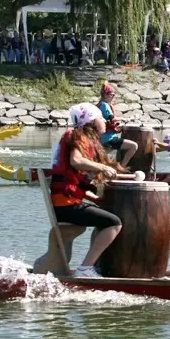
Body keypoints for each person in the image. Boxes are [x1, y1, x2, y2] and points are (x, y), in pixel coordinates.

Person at [39, 104, 126, 278]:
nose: (103, 121)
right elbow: (76, 161)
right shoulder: (78, 135)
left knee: (104, 220)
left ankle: (93, 266)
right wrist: (102, 167)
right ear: (92, 121)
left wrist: (95, 199)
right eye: (101, 118)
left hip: (66, 203)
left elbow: (73, 183)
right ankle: (85, 268)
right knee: (114, 223)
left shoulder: (84, 138)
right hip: (65, 206)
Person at [96, 83, 138, 169]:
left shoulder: (100, 104)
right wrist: (127, 119)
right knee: (133, 146)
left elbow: (108, 123)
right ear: (105, 95)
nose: (113, 97)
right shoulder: (104, 105)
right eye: (111, 95)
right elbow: (112, 119)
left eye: (114, 95)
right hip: (108, 139)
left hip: (102, 138)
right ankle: (121, 168)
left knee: (105, 161)